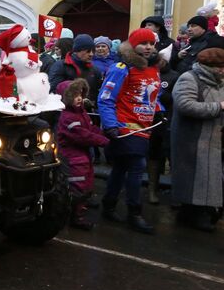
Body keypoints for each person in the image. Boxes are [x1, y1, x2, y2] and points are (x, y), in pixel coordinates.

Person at [97, 28, 162, 234]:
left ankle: (108, 204)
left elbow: (150, 96)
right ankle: (134, 213)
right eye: (144, 43)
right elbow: (106, 99)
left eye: (151, 43)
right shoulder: (121, 68)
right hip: (124, 128)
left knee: (121, 167)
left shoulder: (153, 68)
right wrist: (110, 125)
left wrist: (160, 110)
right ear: (133, 45)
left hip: (144, 128)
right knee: (137, 166)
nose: (148, 47)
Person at [170, 46, 224, 231]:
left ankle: (199, 211)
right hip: (191, 138)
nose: (223, 70)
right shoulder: (189, 79)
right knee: (195, 178)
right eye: (220, 67)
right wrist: (219, 107)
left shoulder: (219, 82)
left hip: (213, 138)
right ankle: (191, 213)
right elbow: (186, 105)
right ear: (210, 66)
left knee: (209, 177)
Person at [56, 79, 110, 229]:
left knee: (85, 183)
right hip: (73, 158)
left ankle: (79, 209)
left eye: (80, 93)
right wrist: (104, 141)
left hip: (83, 157)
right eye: (74, 95)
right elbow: (82, 135)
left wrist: (105, 134)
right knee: (77, 186)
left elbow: (90, 129)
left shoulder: (81, 113)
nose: (79, 97)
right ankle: (74, 216)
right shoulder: (68, 117)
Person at [146, 45, 179, 204]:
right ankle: (153, 189)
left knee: (171, 156)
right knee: (153, 155)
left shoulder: (174, 76)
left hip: (168, 120)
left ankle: (177, 192)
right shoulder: (147, 73)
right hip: (151, 121)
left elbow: (176, 100)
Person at [49, 34, 102, 105]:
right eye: (88, 51)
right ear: (77, 51)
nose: (91, 54)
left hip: (87, 112)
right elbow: (53, 91)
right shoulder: (61, 66)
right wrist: (75, 100)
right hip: (64, 111)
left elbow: (97, 94)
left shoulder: (95, 70)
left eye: (93, 51)